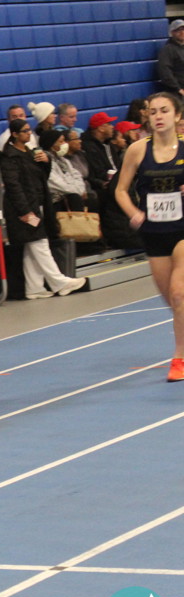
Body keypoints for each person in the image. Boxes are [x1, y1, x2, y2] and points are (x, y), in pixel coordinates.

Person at [115, 91, 184, 382]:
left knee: (180, 294)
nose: (158, 116)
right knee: (173, 301)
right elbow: (120, 190)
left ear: (177, 116)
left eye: (164, 110)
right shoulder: (137, 151)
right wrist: (133, 212)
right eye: (153, 111)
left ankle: (179, 358)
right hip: (154, 233)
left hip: (183, 230)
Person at [0, 119, 87, 300]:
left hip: (35, 203)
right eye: (24, 131)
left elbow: (41, 177)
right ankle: (60, 282)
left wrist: (46, 163)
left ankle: (34, 287)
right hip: (22, 209)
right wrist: (24, 211)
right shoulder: (9, 157)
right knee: (40, 243)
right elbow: (13, 186)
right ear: (14, 134)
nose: (28, 133)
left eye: (29, 130)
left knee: (32, 246)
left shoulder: (30, 152)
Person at [43, 129, 97, 214]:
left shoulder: (63, 160)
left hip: (74, 194)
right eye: (61, 141)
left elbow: (77, 175)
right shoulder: (45, 162)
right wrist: (77, 192)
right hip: (56, 200)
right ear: (51, 144)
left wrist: (80, 190)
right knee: (75, 198)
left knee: (92, 199)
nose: (65, 144)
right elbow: (55, 183)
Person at [158, 19, 184, 97]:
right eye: (178, 30)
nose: (182, 32)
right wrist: (178, 89)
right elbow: (165, 71)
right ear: (172, 32)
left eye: (183, 29)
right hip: (177, 93)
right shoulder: (167, 50)